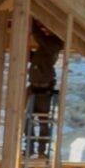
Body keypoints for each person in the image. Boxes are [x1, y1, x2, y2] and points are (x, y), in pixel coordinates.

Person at [27, 20, 63, 158]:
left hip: (43, 91)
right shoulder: (46, 47)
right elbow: (37, 59)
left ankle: (41, 150)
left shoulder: (54, 43)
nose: (47, 29)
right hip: (35, 88)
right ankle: (30, 148)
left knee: (42, 121)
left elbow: (39, 36)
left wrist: (31, 22)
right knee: (27, 120)